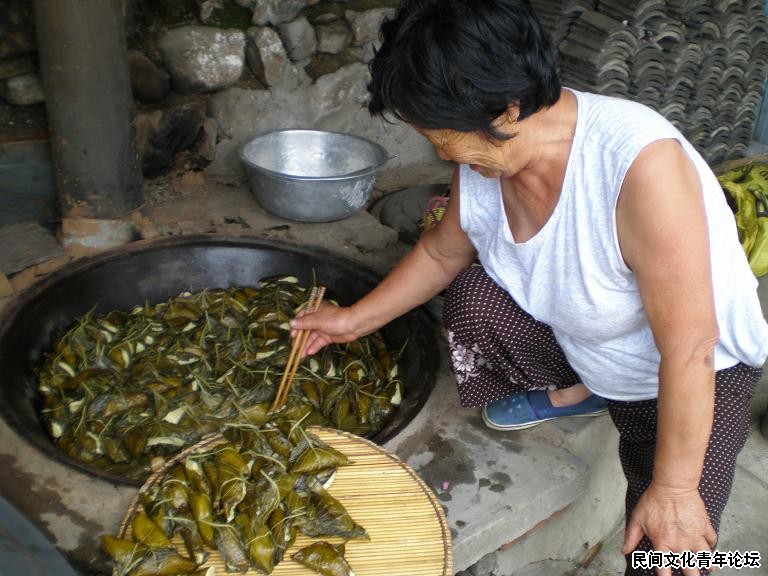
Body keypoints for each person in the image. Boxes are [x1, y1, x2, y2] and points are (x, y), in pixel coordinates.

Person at [289, 0, 768, 574]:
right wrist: (351, 320)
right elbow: (446, 249)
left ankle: (747, 559)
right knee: (472, 298)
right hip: (596, 343)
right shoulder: (489, 154)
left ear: (508, 107)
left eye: (444, 139)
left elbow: (690, 349)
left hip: (690, 379)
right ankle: (586, 388)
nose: (443, 156)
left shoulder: (638, 168)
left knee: (675, 553)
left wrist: (672, 488)